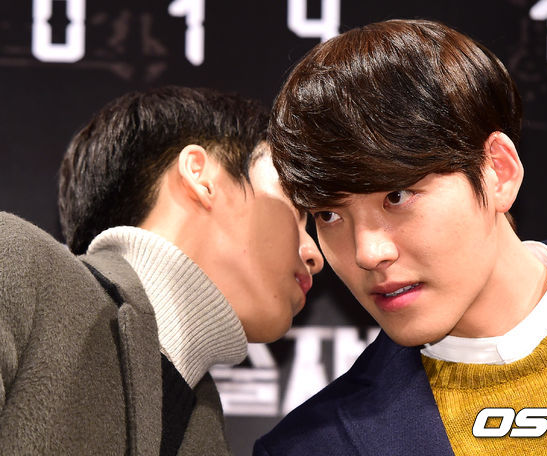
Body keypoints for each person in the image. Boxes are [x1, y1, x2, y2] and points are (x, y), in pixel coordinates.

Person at [253, 20, 547, 456]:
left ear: (498, 171)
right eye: (328, 215)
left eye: (397, 196)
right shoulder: (310, 448)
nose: (368, 252)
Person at [0, 86, 323, 455]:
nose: (314, 254)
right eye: (295, 207)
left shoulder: (204, 427)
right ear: (201, 176)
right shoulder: (13, 260)